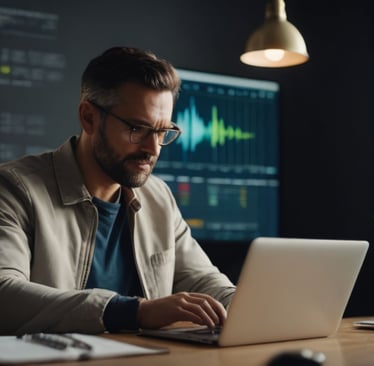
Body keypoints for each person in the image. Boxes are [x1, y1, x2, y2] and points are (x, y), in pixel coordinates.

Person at [0, 47, 236, 335]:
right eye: (137, 129)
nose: (153, 149)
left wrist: (245, 306)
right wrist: (135, 311)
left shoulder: (158, 196)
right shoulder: (14, 189)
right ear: (89, 117)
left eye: (163, 132)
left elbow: (201, 279)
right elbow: (5, 295)